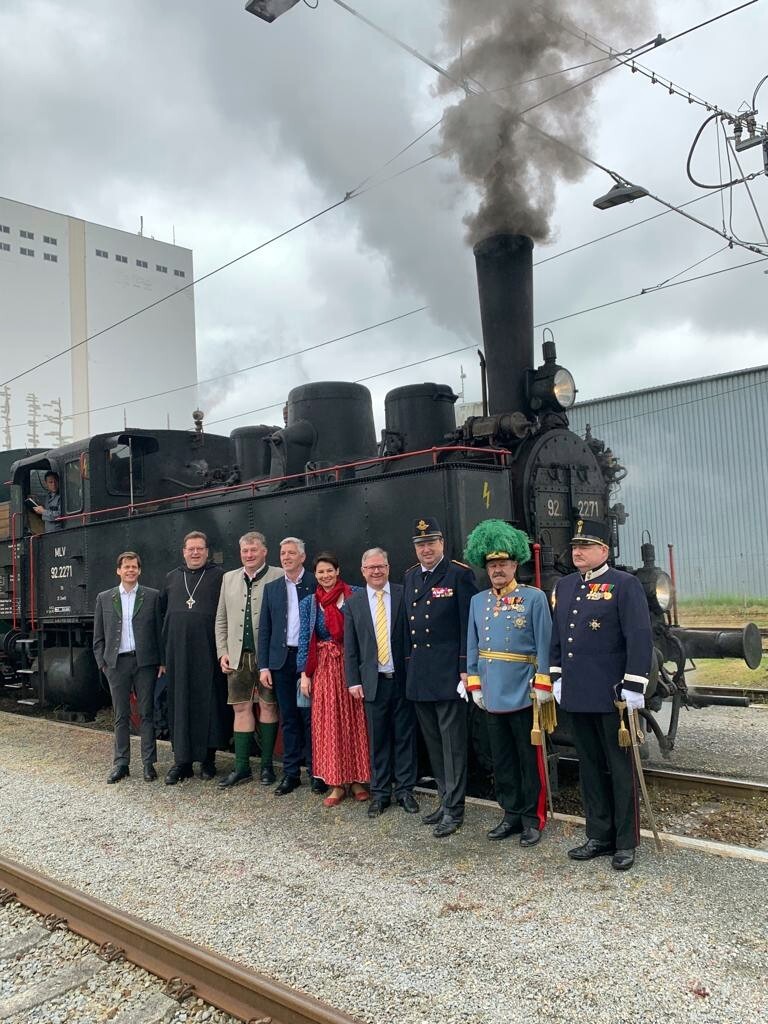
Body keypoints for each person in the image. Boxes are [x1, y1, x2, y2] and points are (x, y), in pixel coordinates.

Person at [550, 518, 653, 871]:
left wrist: (635, 682)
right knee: (589, 766)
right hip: (578, 694)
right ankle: (598, 835)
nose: (577, 551)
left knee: (619, 767)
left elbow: (639, 635)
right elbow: (558, 636)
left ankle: (625, 842)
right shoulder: (564, 586)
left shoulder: (624, 584)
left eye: (586, 546)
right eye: (575, 546)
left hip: (613, 694)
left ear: (604, 551)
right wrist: (556, 675)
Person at [464, 520, 553, 847]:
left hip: (525, 691)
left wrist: (543, 682)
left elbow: (545, 644)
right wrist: (475, 683)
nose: (497, 569)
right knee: (500, 758)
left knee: (528, 759)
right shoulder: (478, 602)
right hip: (491, 692)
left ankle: (533, 818)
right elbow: (472, 645)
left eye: (503, 563)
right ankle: (511, 813)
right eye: (492, 565)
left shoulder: (534, 599)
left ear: (515, 564)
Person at [403, 516, 478, 837]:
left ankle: (455, 809)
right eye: (421, 544)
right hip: (421, 673)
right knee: (434, 744)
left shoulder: (459, 575)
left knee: (452, 745)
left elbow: (467, 626)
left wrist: (465, 667)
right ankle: (445, 799)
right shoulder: (410, 577)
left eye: (431, 543)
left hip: (449, 674)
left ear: (442, 544)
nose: (426, 549)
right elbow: (407, 628)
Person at [343, 547, 418, 817]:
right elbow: (350, 647)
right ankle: (381, 793)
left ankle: (405, 791)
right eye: (371, 567)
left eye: (381, 566)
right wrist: (353, 680)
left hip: (402, 679)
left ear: (388, 567)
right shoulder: (354, 603)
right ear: (363, 571)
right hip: (372, 682)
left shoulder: (403, 594)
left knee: (404, 737)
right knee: (378, 739)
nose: (376, 571)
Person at [297, 552, 369, 808]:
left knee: (354, 722)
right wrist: (305, 675)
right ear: (315, 575)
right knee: (330, 724)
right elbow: (305, 639)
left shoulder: (356, 594)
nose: (325, 576)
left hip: (352, 666)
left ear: (338, 571)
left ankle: (358, 779)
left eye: (329, 570)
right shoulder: (309, 603)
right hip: (325, 668)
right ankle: (336, 783)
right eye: (320, 572)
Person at [215, 531, 284, 789]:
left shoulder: (278, 575)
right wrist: (223, 650)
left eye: (254, 550)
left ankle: (267, 767)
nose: (249, 555)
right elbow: (221, 618)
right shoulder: (228, 578)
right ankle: (242, 767)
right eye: (245, 551)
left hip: (268, 655)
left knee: (268, 706)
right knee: (241, 707)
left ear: (264, 551)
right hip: (237, 655)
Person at [161, 531, 230, 784]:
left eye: (199, 548)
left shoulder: (220, 577)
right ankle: (182, 762)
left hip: (208, 652)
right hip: (178, 654)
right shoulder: (171, 578)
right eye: (191, 549)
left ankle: (208, 760)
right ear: (183, 551)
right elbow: (162, 617)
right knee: (180, 704)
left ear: (207, 551)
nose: (195, 553)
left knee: (209, 703)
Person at [258, 537, 325, 796]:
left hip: (309, 659)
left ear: (302, 557)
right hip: (281, 660)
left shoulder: (314, 583)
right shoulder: (272, 588)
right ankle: (291, 773)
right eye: (283, 553)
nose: (286, 557)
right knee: (288, 718)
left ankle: (316, 772)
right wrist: (264, 666)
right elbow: (265, 628)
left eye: (291, 553)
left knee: (312, 718)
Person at [93, 551, 165, 783]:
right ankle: (121, 763)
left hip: (145, 663)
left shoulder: (152, 596)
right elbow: (98, 635)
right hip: (116, 663)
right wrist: (102, 663)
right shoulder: (105, 598)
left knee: (146, 713)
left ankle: (148, 763)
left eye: (134, 566)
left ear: (139, 570)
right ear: (118, 570)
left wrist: (162, 661)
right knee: (121, 715)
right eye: (126, 567)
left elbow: (159, 632)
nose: (130, 570)